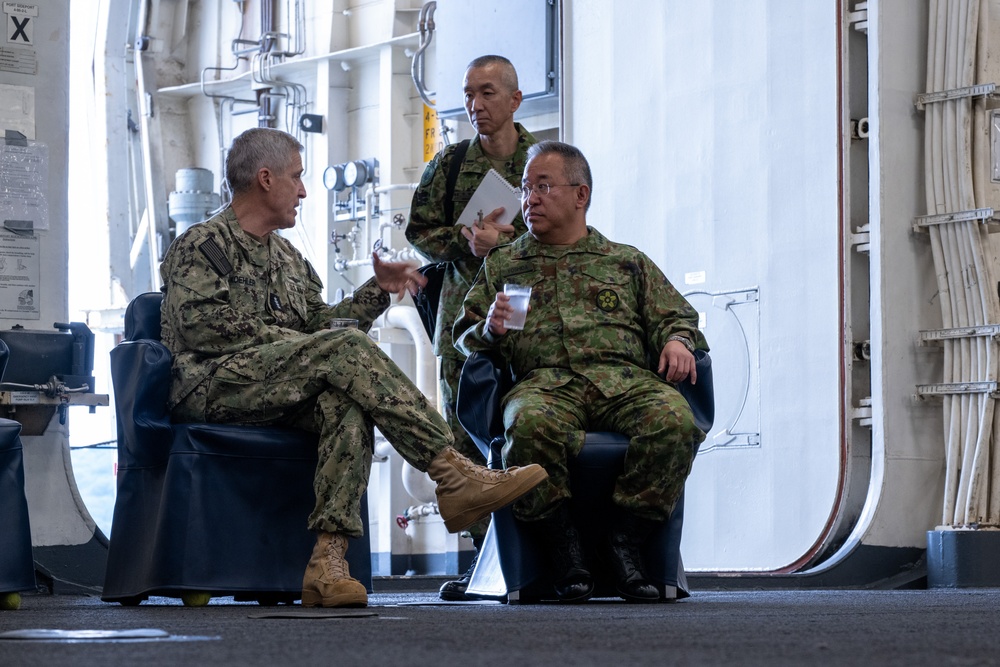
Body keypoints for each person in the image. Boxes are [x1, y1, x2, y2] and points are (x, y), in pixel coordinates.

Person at [158, 127, 547, 609]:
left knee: (343, 401)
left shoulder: (288, 259)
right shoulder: (201, 245)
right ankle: (452, 472)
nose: (302, 190)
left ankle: (327, 561)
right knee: (338, 352)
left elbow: (323, 325)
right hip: (211, 385)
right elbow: (202, 328)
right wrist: (313, 345)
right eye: (296, 178)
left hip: (275, 385)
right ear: (265, 179)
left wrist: (377, 292)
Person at [454, 141, 708, 604]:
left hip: (623, 382)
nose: (529, 199)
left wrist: (677, 340)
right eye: (526, 188)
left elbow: (677, 316)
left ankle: (625, 539)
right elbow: (465, 336)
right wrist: (489, 328)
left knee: (673, 419)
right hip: (546, 387)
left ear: (580, 195)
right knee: (527, 426)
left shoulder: (625, 261)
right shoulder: (506, 265)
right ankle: (563, 545)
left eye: (543, 187)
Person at [405, 54, 538, 600]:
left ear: (514, 100)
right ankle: (487, 566)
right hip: (461, 322)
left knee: (523, 433)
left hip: (528, 318)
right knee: (464, 439)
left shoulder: (541, 163)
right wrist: (464, 242)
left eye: (487, 93)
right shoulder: (451, 165)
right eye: (468, 94)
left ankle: (533, 558)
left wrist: (502, 244)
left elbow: (567, 235)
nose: (475, 105)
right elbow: (419, 230)